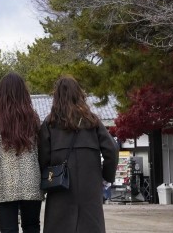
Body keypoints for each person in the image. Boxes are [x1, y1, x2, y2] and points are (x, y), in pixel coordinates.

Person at [39, 76, 118, 233]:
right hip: (90, 186)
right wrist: (105, 175)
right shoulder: (92, 121)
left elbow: (43, 157)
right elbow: (112, 150)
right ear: (79, 94)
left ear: (57, 97)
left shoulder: (50, 123)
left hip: (60, 186)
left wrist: (47, 177)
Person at [0, 72, 42, 233]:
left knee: (8, 229)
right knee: (32, 226)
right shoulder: (32, 117)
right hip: (31, 180)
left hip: (1, 181)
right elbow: (41, 149)